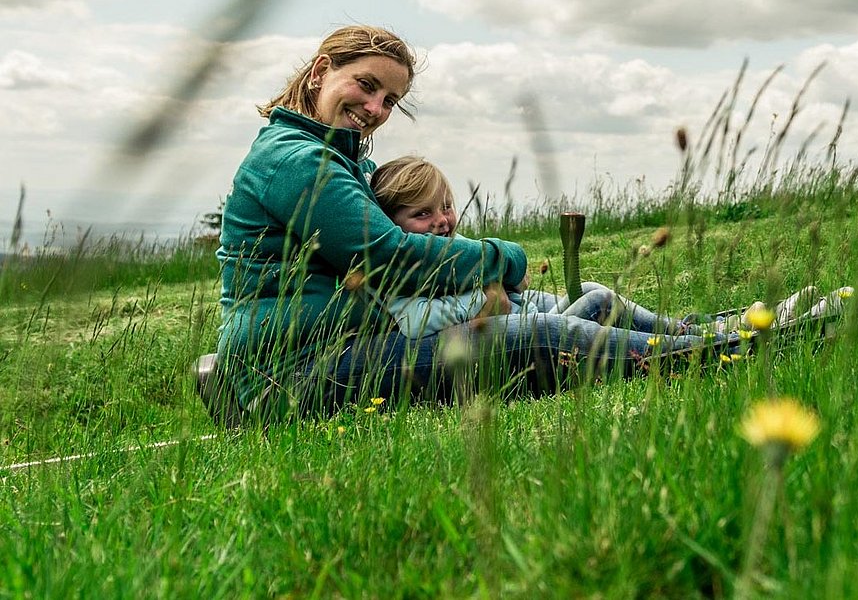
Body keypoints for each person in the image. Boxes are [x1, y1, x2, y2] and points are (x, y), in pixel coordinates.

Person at [214, 24, 726, 420]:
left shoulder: (340, 160)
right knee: (541, 333)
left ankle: (710, 330)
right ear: (322, 70)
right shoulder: (297, 160)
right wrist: (503, 259)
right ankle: (715, 353)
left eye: (389, 100)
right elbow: (390, 257)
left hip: (347, 346)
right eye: (366, 86)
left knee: (581, 300)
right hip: (295, 372)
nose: (374, 108)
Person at [368, 154, 710, 341]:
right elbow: (413, 323)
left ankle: (686, 329)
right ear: (393, 223)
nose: (441, 220)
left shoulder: (450, 245)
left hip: (526, 311)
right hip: (511, 334)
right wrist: (481, 299)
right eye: (422, 214)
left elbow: (501, 280)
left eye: (446, 206)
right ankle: (684, 345)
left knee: (590, 290)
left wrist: (504, 277)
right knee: (596, 301)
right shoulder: (399, 268)